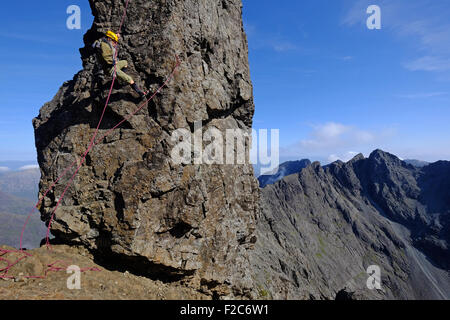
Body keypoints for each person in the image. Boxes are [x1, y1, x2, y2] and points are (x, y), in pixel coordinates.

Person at [93, 30, 147, 97]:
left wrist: (116, 36)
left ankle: (120, 79)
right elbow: (105, 57)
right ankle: (140, 93)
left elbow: (111, 43)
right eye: (114, 41)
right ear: (109, 39)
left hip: (112, 66)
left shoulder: (106, 42)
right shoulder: (104, 46)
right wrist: (113, 62)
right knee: (129, 79)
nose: (115, 43)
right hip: (111, 69)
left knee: (125, 62)